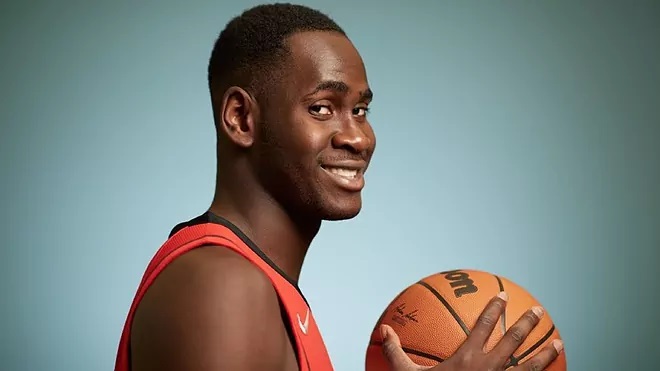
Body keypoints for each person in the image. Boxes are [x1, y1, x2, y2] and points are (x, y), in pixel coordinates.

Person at [114, 3, 564, 371]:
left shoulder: (260, 284)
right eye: (322, 108)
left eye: (361, 110)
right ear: (241, 118)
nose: (357, 137)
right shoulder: (222, 285)